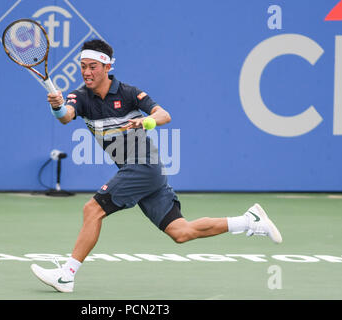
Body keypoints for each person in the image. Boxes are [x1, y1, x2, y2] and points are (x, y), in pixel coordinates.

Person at [30, 39, 282, 293]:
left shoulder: (129, 93)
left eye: (92, 66)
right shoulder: (80, 96)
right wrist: (57, 106)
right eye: (83, 66)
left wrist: (145, 122)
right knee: (181, 232)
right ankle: (249, 221)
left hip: (143, 166)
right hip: (144, 173)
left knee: (92, 210)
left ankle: (67, 275)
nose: (86, 72)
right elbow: (66, 116)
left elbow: (164, 114)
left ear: (107, 67)